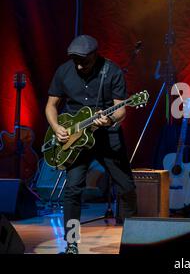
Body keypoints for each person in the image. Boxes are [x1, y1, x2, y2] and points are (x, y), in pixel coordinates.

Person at [45, 35, 137, 254]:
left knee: (126, 187)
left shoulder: (112, 71)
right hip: (76, 138)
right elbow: (51, 105)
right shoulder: (64, 71)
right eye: (75, 60)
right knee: (72, 189)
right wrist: (57, 127)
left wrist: (111, 118)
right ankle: (71, 243)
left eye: (83, 61)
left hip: (107, 136)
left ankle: (133, 241)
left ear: (95, 55)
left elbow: (120, 108)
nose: (79, 65)